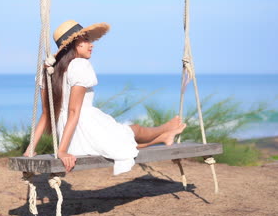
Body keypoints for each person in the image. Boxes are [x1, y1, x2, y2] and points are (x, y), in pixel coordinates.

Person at [24, 20, 186, 175]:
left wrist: (31, 148)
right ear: (75, 43)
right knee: (134, 130)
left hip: (71, 136)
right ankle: (166, 129)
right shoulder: (79, 65)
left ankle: (165, 135)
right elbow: (74, 111)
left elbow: (47, 114)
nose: (91, 44)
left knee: (124, 141)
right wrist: (62, 151)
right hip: (85, 127)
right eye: (86, 40)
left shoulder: (48, 70)